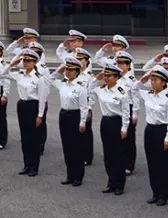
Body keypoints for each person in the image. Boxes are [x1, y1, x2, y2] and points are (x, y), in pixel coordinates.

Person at [134, 65, 168, 206]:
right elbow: (134, 89)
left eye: (156, 80)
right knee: (152, 163)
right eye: (152, 80)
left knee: (163, 164)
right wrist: (144, 78)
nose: (152, 82)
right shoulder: (148, 94)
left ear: (164, 82)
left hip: (162, 130)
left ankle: (163, 194)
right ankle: (155, 192)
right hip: (150, 130)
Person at [48, 56, 91, 187]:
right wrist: (59, 69)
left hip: (75, 116)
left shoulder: (81, 87)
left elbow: (84, 107)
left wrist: (82, 122)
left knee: (76, 147)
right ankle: (70, 174)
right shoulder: (62, 84)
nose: (68, 72)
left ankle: (78, 176)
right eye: (67, 70)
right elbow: (49, 79)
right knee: (67, 146)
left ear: (77, 71)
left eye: (71, 70)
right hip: (64, 115)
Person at [8, 49, 49, 177]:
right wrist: (12, 64)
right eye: (24, 60)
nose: (25, 63)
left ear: (35, 62)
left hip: (33, 107)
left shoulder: (39, 78)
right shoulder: (20, 74)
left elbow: (42, 98)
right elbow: (3, 73)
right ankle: (26, 165)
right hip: (22, 105)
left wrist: (40, 115)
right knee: (25, 137)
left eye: (28, 61)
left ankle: (34, 167)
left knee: (34, 138)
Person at [91, 63, 130, 195]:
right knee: (108, 155)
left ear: (117, 77)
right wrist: (97, 78)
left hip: (117, 123)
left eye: (109, 76)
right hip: (105, 123)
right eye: (105, 75)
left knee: (118, 154)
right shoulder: (101, 89)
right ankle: (111, 182)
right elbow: (87, 88)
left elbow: (125, 112)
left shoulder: (122, 91)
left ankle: (120, 184)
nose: (106, 78)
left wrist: (124, 128)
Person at [114, 50, 139, 175]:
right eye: (118, 63)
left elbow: (135, 99)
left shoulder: (131, 80)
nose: (119, 66)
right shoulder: (116, 78)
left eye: (122, 64)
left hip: (128, 108)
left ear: (128, 65)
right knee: (119, 137)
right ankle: (120, 161)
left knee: (129, 138)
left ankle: (129, 164)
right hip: (117, 108)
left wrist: (134, 114)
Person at [75, 47, 96, 167]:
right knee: (77, 132)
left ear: (87, 61)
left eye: (81, 59)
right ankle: (78, 154)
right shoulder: (74, 73)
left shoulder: (89, 77)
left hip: (85, 108)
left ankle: (87, 156)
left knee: (86, 133)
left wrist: (89, 109)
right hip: (75, 107)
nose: (79, 61)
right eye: (77, 59)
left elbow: (91, 95)